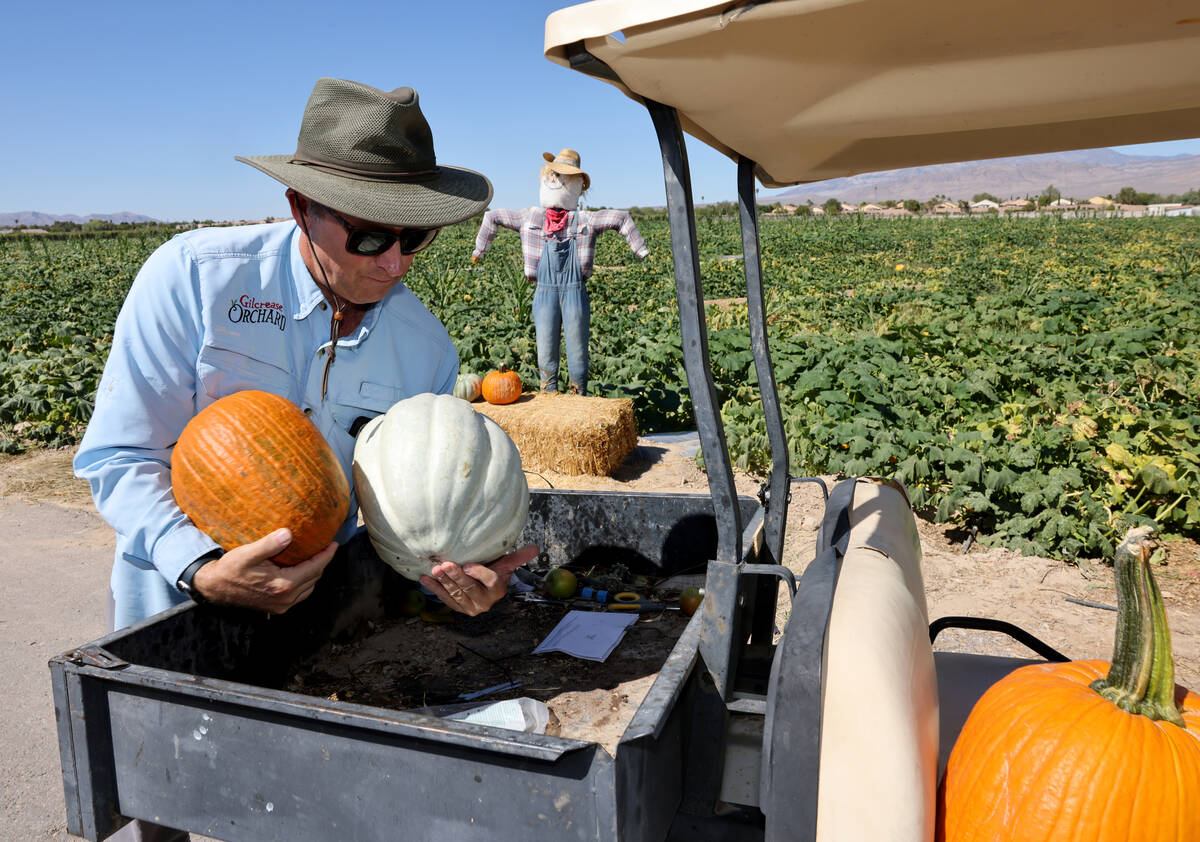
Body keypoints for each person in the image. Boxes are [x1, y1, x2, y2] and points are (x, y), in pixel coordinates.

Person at [75, 77, 537, 636]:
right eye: (369, 238)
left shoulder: (426, 349)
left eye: (414, 238)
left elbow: (416, 510)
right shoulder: (196, 280)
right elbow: (119, 455)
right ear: (300, 208)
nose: (394, 264)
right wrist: (199, 567)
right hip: (175, 611)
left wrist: (452, 570)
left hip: (315, 621)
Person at [470, 148, 648, 395]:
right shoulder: (530, 217)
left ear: (578, 187)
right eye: (554, 176)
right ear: (546, 179)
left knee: (577, 352)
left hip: (575, 292)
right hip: (544, 292)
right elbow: (493, 217)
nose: (557, 181)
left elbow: (621, 218)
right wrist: (480, 249)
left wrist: (640, 250)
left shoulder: (585, 219)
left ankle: (578, 394)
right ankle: (549, 393)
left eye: (565, 178)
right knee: (545, 351)